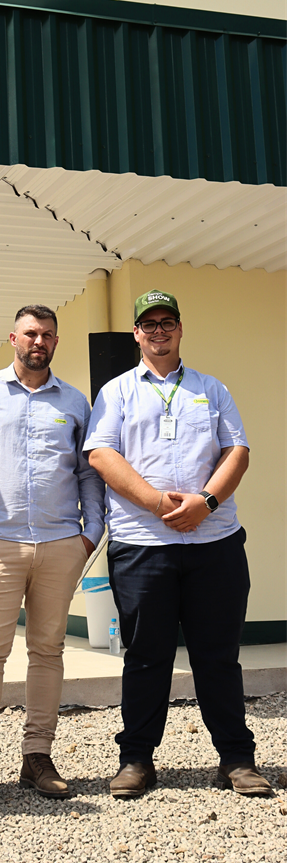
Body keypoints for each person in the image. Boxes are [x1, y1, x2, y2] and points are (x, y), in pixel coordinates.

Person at [84, 289, 272, 798]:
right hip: (142, 545)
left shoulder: (212, 389)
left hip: (215, 541)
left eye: (167, 322)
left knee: (218, 656)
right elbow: (100, 454)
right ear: (137, 334)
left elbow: (237, 451)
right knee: (147, 657)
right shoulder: (117, 392)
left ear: (181, 328)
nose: (159, 331)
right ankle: (136, 760)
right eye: (149, 324)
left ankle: (237, 759)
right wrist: (155, 502)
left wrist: (205, 503)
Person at [0, 305, 105, 811]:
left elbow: (87, 472)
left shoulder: (74, 401)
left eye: (48, 335)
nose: (39, 341)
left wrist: (89, 534)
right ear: (13, 338)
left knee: (48, 651)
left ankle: (37, 758)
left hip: (61, 544)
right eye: (31, 333)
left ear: (55, 342)